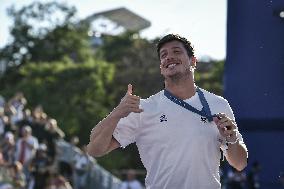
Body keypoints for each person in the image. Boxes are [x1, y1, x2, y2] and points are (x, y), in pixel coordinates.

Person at [87, 34, 248, 189]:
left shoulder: (218, 104)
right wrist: (117, 113)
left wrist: (232, 139)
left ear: (193, 61)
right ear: (161, 68)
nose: (169, 57)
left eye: (176, 52)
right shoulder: (144, 108)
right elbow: (95, 149)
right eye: (163, 55)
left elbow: (240, 163)